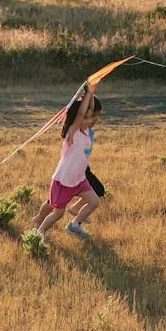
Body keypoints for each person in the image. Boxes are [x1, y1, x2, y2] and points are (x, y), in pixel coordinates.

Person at [32, 83, 102, 240]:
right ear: (78, 118)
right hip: (64, 181)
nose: (91, 118)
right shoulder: (72, 133)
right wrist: (88, 97)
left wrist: (90, 94)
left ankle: (74, 225)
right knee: (58, 213)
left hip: (78, 180)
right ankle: (40, 232)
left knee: (94, 201)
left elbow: (85, 112)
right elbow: (80, 115)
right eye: (87, 116)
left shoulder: (85, 133)